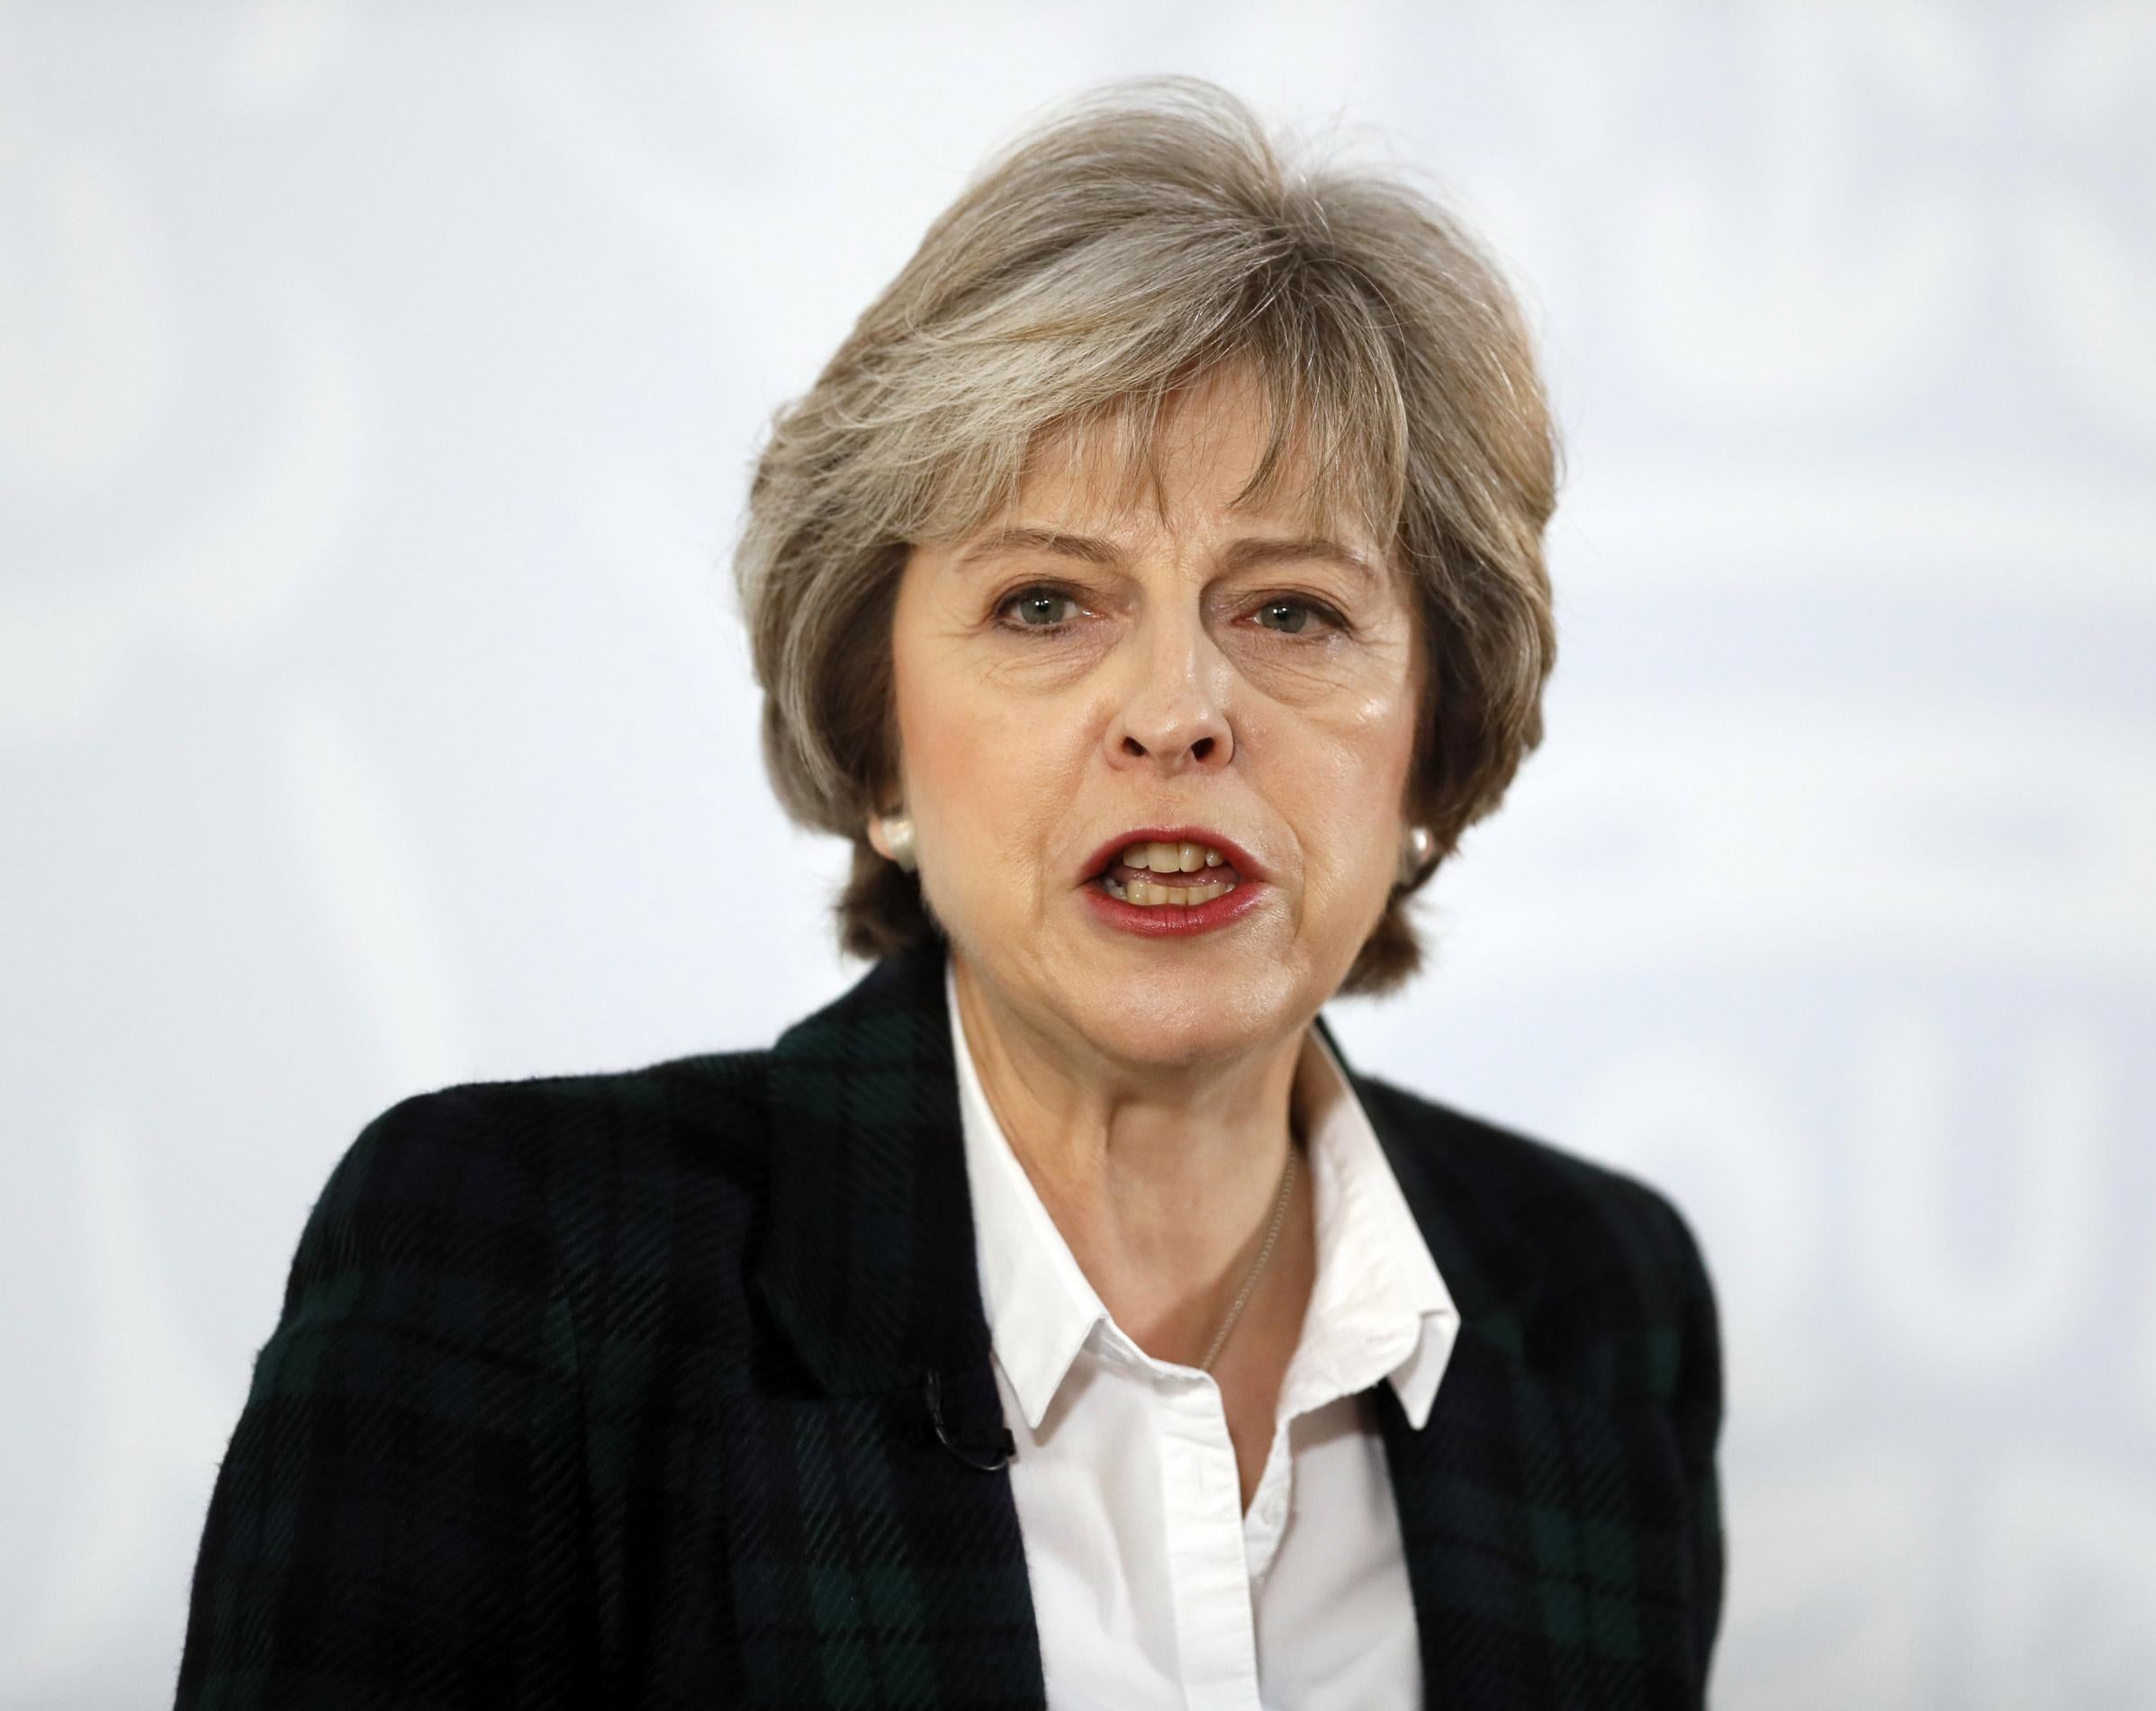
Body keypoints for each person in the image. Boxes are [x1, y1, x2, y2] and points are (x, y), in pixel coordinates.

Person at [176, 76, 1723, 1710]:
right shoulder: (525, 1264)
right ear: (882, 742)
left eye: (1292, 612)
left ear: (1433, 744)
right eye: (1048, 601)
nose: (1177, 707)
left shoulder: (1599, 1304)